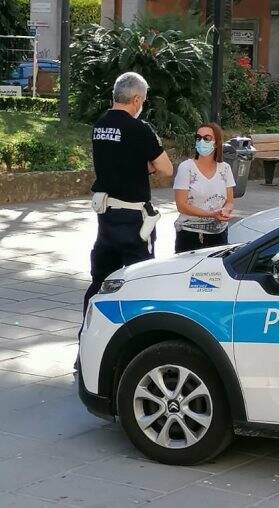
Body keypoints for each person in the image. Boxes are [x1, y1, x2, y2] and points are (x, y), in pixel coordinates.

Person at [79, 72, 173, 344]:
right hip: (134, 221)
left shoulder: (100, 125)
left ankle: (86, 344)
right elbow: (165, 169)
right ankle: (136, 344)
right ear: (135, 99)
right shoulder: (139, 128)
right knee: (140, 282)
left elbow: (117, 161)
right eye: (142, 99)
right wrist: (149, 167)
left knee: (99, 283)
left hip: (106, 218)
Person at [173, 123, 235, 253]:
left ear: (216, 143)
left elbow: (229, 201)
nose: (201, 141)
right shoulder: (186, 168)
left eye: (207, 138)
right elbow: (181, 205)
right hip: (191, 234)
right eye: (198, 138)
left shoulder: (225, 168)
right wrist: (211, 214)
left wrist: (225, 211)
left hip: (219, 233)